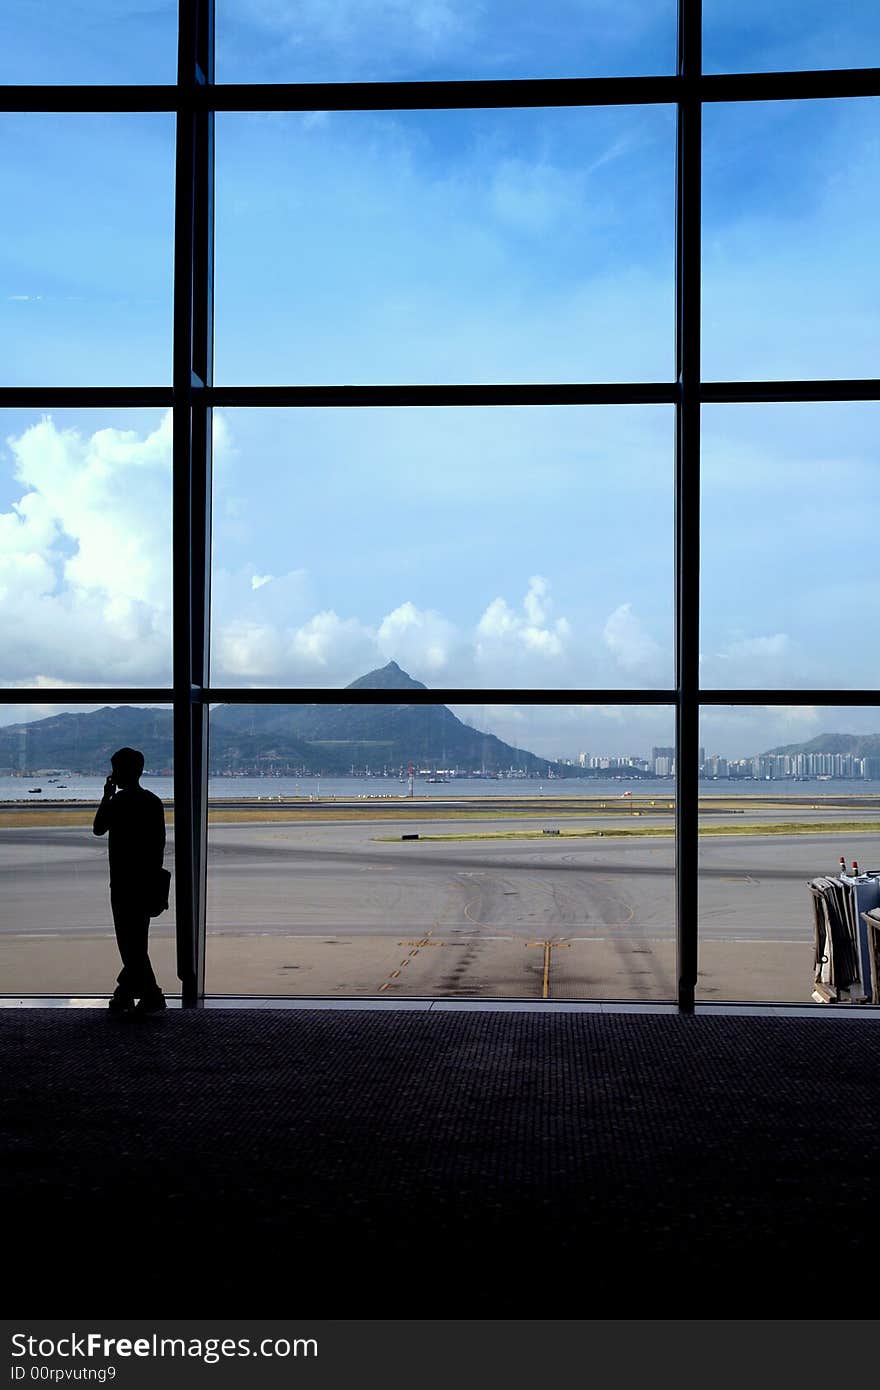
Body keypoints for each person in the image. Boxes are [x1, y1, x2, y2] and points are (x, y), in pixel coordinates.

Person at [93, 746, 167, 1014]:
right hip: (146, 882)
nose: (113, 774)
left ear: (123, 771)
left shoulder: (118, 803)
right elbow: (159, 845)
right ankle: (125, 994)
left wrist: (106, 797)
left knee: (129, 943)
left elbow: (98, 828)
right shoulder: (153, 802)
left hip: (123, 883)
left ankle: (150, 995)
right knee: (136, 942)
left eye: (115, 769)